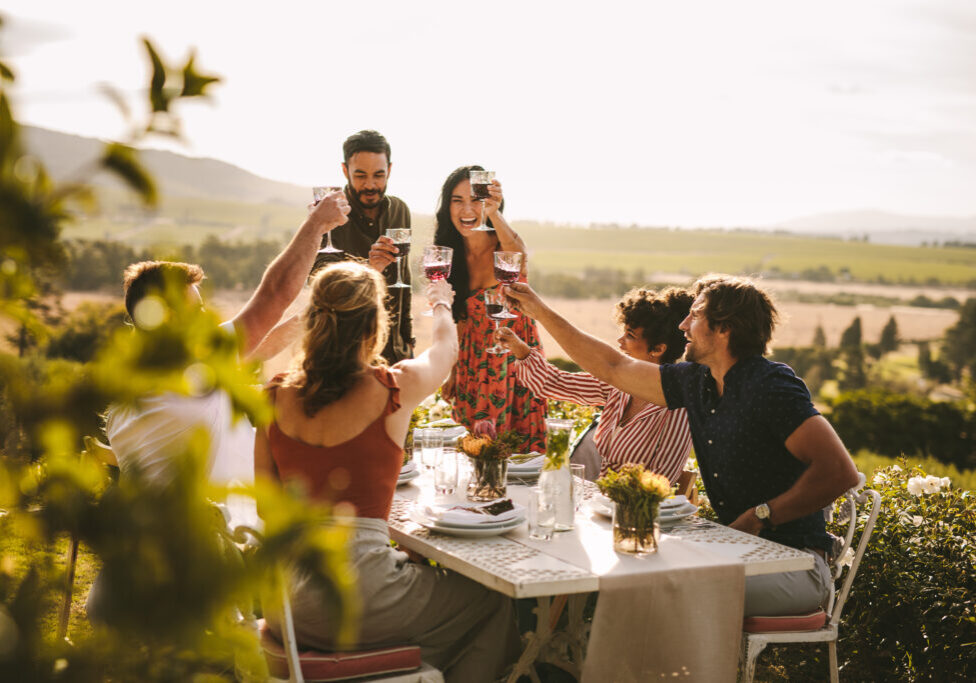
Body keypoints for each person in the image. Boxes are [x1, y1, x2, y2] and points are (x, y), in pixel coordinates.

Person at [504, 275, 860, 617]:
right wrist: (540, 311)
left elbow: (839, 472)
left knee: (658, 588)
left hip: (795, 564)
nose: (683, 325)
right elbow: (614, 367)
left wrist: (759, 516)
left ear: (724, 328)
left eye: (696, 314)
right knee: (634, 576)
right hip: (736, 552)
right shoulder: (697, 382)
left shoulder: (771, 385)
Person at [87, 191, 351, 623]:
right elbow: (276, 293)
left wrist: (328, 306)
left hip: (142, 563)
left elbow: (258, 346)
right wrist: (317, 226)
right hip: (219, 561)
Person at [254, 262, 520, 682]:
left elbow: (267, 508)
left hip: (286, 602)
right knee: (491, 602)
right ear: (374, 324)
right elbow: (446, 353)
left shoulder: (273, 396)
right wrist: (441, 304)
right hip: (357, 598)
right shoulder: (395, 387)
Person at [496, 286, 693, 482]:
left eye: (630, 335)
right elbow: (553, 383)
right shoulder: (618, 386)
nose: (620, 341)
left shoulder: (677, 408)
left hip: (636, 507)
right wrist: (520, 349)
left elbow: (659, 480)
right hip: (600, 502)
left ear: (658, 349)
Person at [435, 165, 547, 453]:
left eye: (475, 200)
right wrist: (454, 371)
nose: (466, 209)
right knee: (477, 453)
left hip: (515, 359)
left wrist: (494, 213)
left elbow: (518, 254)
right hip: (474, 364)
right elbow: (460, 319)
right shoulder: (448, 253)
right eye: (457, 200)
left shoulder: (504, 244)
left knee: (520, 457)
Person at [316, 129, 414, 364]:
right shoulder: (327, 215)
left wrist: (407, 343)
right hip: (344, 355)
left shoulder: (400, 210)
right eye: (360, 175)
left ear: (389, 170)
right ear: (344, 171)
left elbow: (404, 282)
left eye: (379, 175)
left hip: (393, 353)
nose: (370, 185)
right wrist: (369, 268)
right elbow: (320, 287)